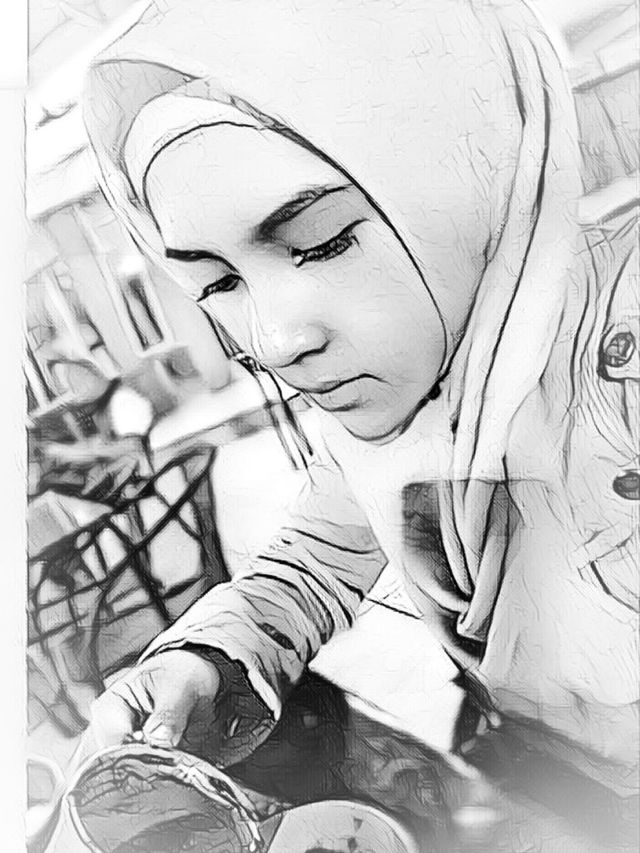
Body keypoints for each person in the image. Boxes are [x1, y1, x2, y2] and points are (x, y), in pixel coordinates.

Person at [81, 0, 639, 846]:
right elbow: (315, 556)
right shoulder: (375, 417)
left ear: (470, 172)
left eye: (323, 240)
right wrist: (206, 658)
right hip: (540, 765)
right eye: (218, 283)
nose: (276, 341)